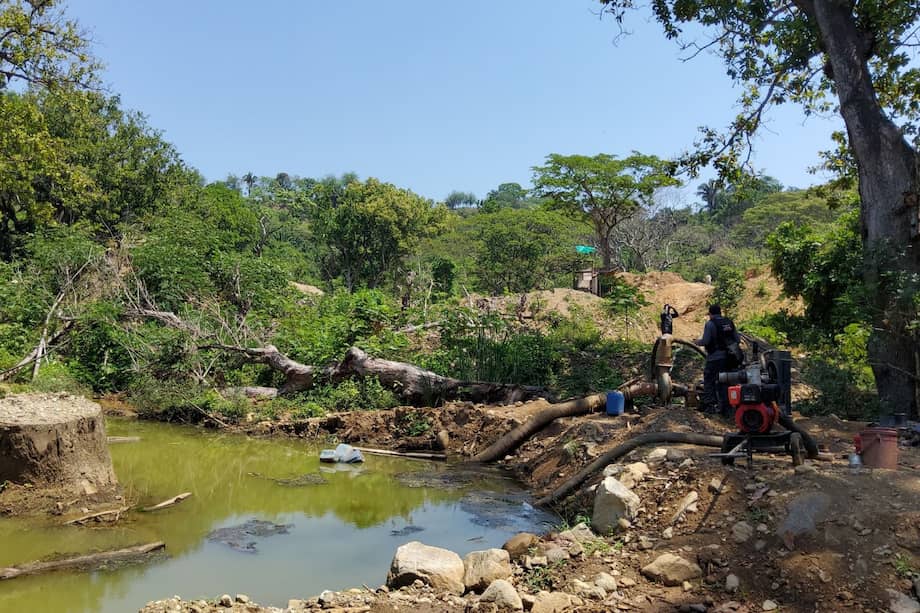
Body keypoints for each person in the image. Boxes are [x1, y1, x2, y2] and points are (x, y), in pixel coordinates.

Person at [695, 303, 741, 416]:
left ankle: (710, 406)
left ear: (710, 314)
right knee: (725, 381)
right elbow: (737, 339)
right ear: (720, 312)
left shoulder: (710, 324)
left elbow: (706, 341)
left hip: (715, 358)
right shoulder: (729, 322)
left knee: (709, 380)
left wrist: (697, 342)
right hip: (731, 358)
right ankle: (727, 408)